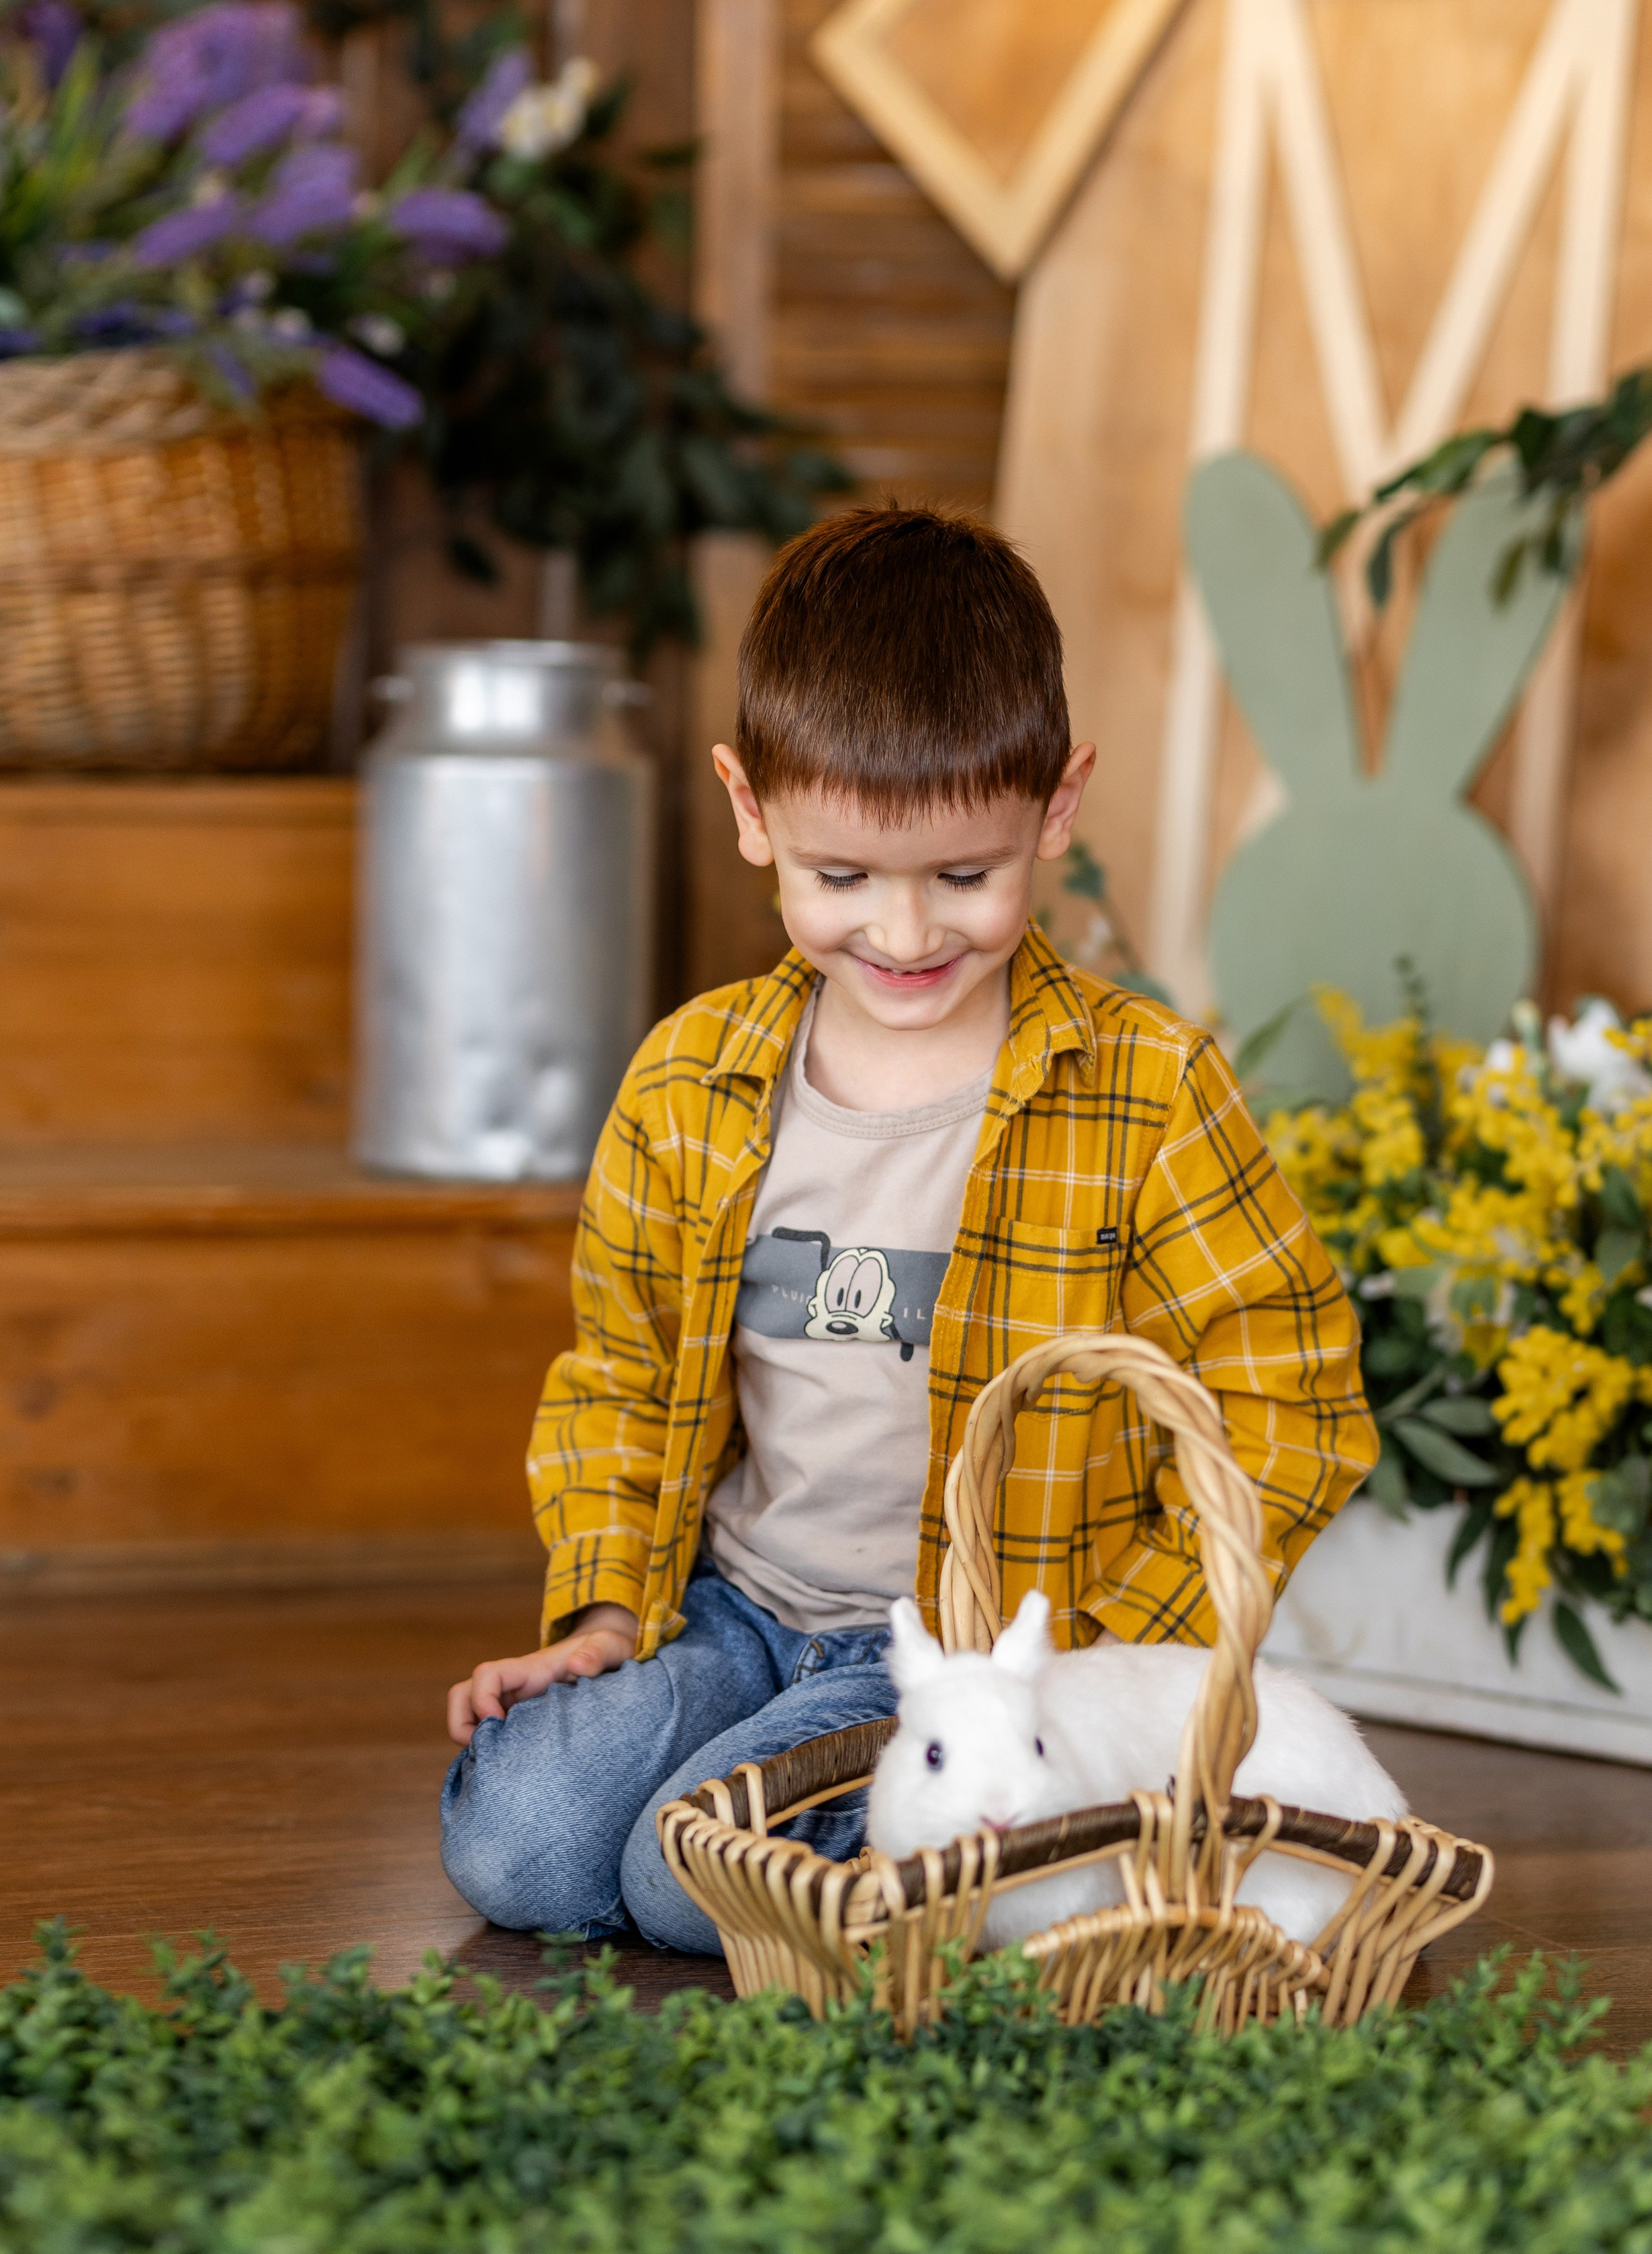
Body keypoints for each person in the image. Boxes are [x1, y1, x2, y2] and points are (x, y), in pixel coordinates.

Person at [440, 505, 1377, 1952]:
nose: (901, 935)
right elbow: (620, 1375)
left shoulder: (1148, 1089)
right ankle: (861, 1854)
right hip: (738, 1612)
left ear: (1053, 806)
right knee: (513, 1843)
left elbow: (1287, 1397)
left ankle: (947, 1845)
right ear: (749, 808)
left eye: (961, 877)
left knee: (665, 1883)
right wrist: (608, 1618)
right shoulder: (691, 1080)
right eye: (840, 878)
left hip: (953, 1651)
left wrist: (1083, 1660)